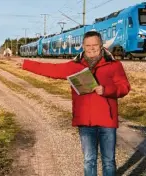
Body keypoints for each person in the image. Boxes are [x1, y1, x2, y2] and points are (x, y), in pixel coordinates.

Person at [22, 31, 130, 176]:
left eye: (95, 45)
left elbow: (124, 87)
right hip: (85, 121)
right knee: (89, 160)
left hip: (107, 121)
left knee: (109, 161)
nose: (92, 48)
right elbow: (51, 69)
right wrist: (25, 64)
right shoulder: (75, 65)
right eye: (88, 45)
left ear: (101, 45)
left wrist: (106, 90)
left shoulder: (114, 65)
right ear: (83, 46)